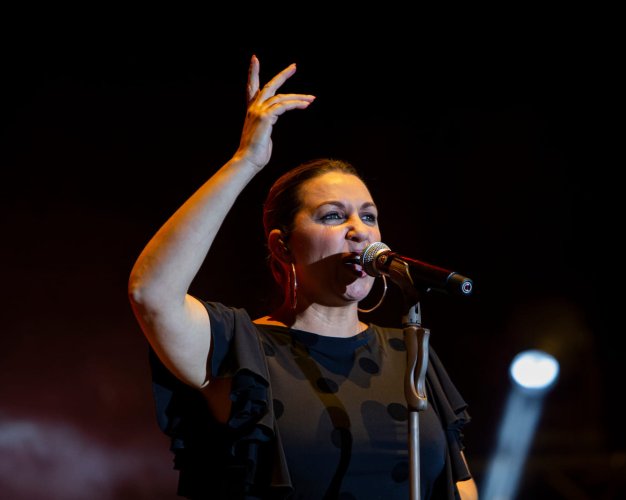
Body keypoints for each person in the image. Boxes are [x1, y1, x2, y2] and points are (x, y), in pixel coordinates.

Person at [128, 53, 478, 500]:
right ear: (282, 245)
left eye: (369, 217)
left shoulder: (409, 352)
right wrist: (245, 162)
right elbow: (151, 293)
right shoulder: (243, 349)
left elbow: (459, 484)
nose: (359, 230)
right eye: (333, 216)